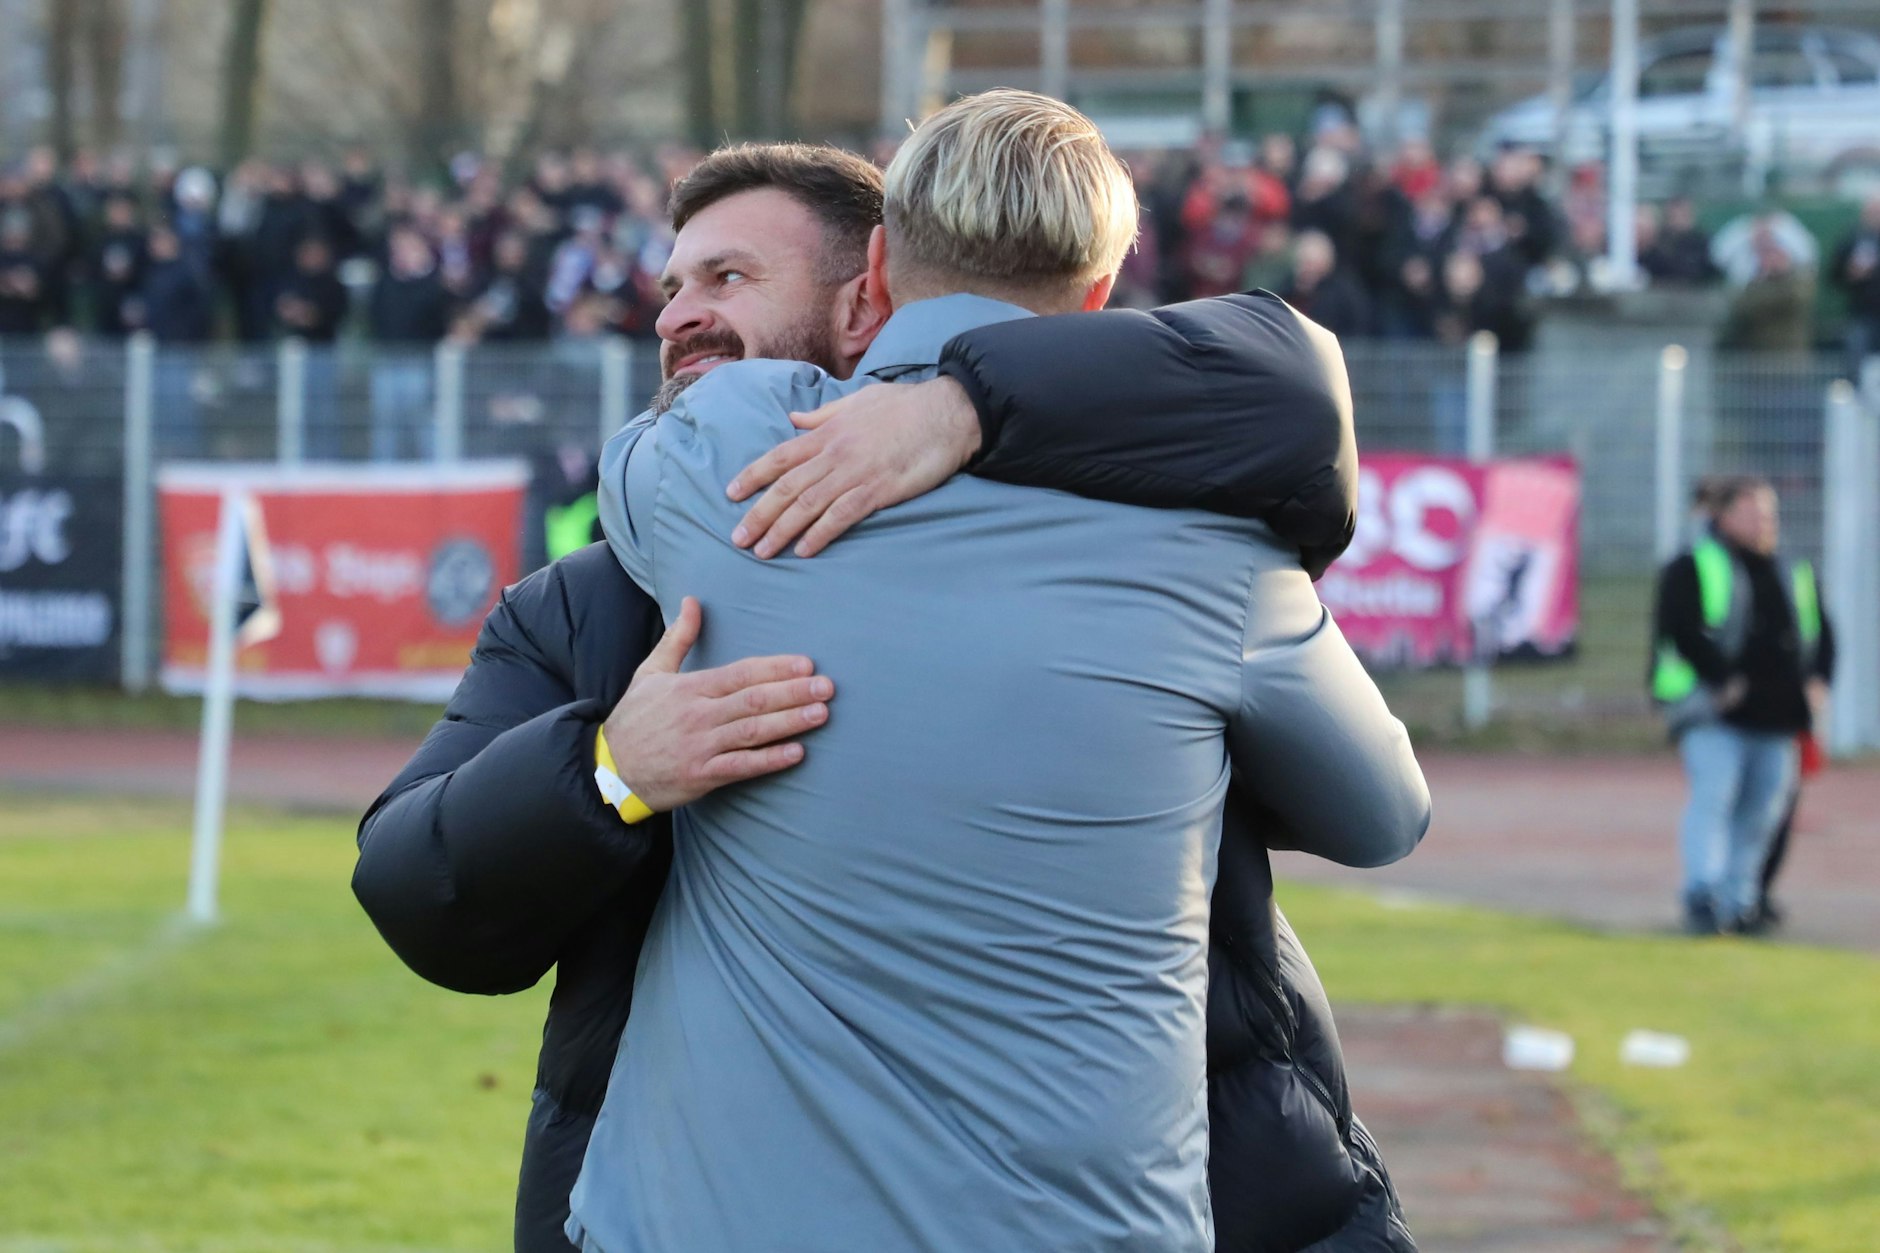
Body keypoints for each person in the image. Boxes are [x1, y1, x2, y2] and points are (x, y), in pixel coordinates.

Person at [354, 140, 1417, 1253]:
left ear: (872, 291)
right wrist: (607, 770)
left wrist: (966, 401)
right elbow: (413, 884)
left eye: (728, 279)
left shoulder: (1154, 527)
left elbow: (1281, 384)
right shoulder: (590, 606)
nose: (676, 316)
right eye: (670, 286)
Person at [1650, 476, 1834, 935]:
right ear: (1724, 516)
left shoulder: (1793, 569)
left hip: (1778, 718)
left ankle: (1741, 901)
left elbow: (1822, 635)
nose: (1763, 523)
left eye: (1769, 514)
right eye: (1752, 513)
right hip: (1716, 714)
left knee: (1763, 813)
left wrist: (1818, 681)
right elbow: (1681, 627)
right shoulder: (1695, 565)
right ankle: (1702, 896)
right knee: (1715, 798)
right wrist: (1722, 679)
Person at [367, 223, 451, 460]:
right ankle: (384, 474)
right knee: (385, 424)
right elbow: (376, 315)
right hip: (387, 361)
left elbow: (436, 318)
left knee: (423, 422)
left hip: (419, 363)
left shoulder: (434, 283)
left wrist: (419, 273)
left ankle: (433, 474)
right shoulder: (385, 281)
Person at [1829, 193, 1880, 380]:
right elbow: (1834, 277)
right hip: (1861, 315)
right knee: (1855, 367)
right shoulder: (1851, 239)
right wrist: (1850, 273)